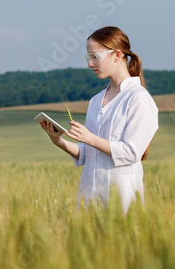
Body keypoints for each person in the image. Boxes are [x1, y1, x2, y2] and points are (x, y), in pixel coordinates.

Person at [39, 26, 158, 213]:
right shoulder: (96, 100)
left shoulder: (139, 98)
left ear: (117, 55)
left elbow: (132, 152)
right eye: (88, 57)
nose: (90, 64)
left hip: (121, 202)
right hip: (89, 200)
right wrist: (59, 142)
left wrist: (90, 138)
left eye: (95, 57)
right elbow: (88, 153)